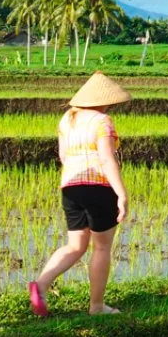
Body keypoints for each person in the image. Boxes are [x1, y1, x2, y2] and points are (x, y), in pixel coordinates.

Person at [29, 72, 131, 318]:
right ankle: (97, 306)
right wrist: (121, 194)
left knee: (75, 245)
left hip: (70, 186)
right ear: (103, 101)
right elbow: (106, 159)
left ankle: (41, 285)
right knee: (102, 248)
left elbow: (63, 156)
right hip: (98, 186)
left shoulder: (67, 119)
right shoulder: (102, 121)